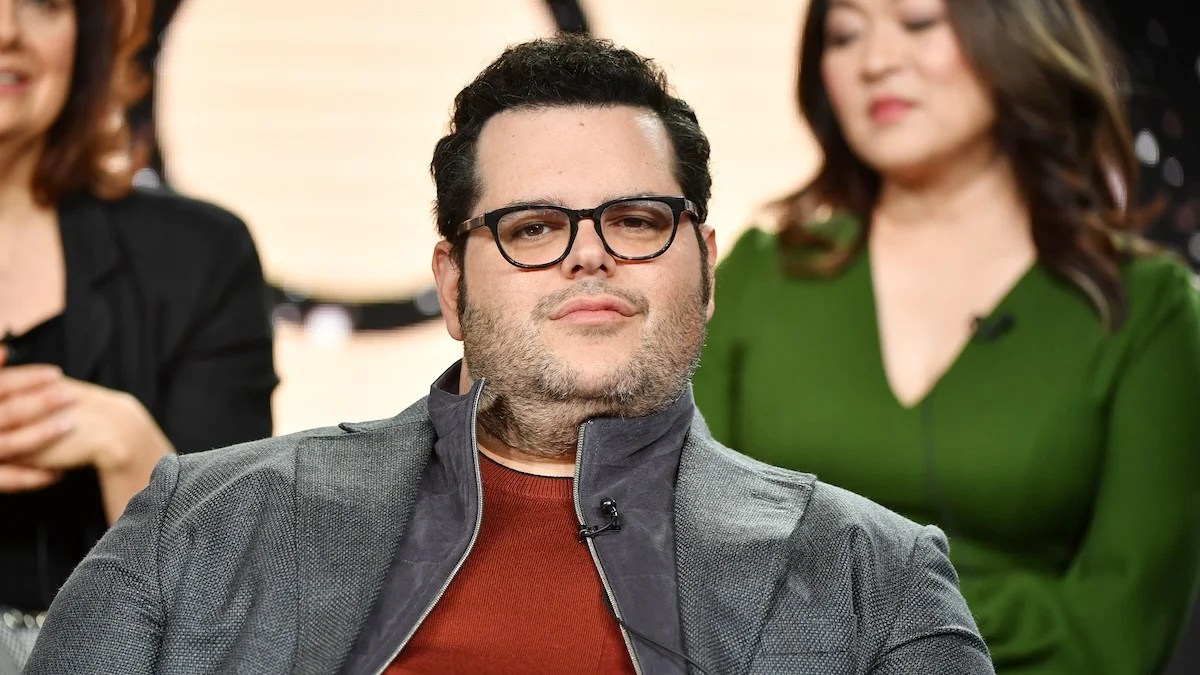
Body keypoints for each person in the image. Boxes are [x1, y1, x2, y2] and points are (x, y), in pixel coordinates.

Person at [24, 35, 992, 674]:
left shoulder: (877, 577)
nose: (589, 251)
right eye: (532, 227)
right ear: (452, 285)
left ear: (702, 265)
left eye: (637, 218)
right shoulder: (196, 520)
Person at [692, 0, 1200, 672]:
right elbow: (689, 566)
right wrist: (991, 606)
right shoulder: (759, 275)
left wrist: (839, 600)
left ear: (1015, 34)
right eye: (844, 35)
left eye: (918, 22)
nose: (875, 62)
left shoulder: (1148, 307)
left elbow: (1115, 634)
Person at [0, 1, 276, 671]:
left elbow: (240, 606)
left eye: (42, 2)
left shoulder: (201, 254)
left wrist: (128, 445)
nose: (6, 30)